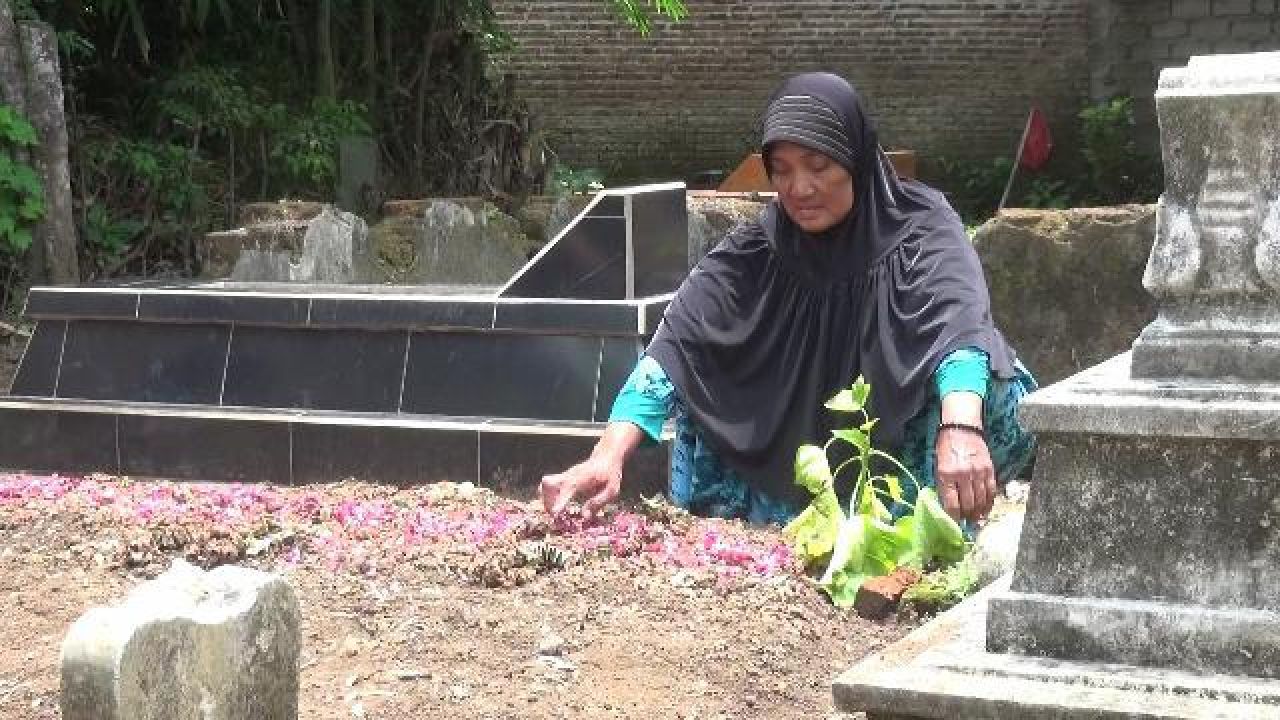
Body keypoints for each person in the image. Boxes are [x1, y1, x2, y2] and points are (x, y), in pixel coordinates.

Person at [541, 72, 1037, 526]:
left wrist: (962, 427)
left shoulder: (921, 227)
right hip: (800, 450)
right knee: (702, 397)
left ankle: (930, 526)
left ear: (856, 159)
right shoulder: (758, 252)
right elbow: (676, 347)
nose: (800, 188)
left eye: (819, 166)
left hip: (906, 445)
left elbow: (958, 326)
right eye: (781, 170)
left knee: (975, 381)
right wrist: (608, 454)